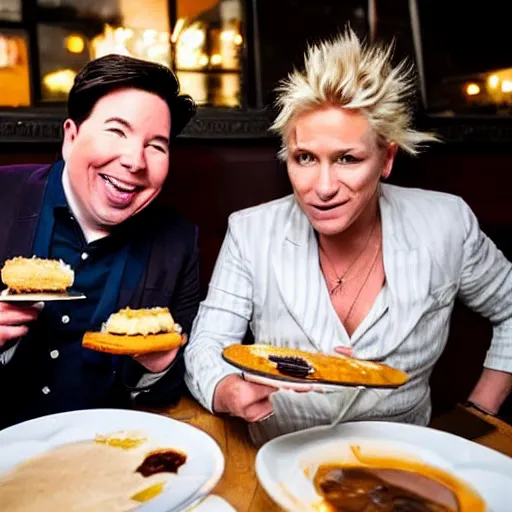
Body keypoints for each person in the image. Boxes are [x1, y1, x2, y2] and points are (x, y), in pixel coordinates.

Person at [184, 28, 512, 445]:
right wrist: (228, 390)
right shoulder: (251, 231)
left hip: (404, 463)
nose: (322, 187)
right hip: (279, 455)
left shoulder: (446, 223)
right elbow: (208, 343)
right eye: (305, 158)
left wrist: (479, 412)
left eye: (347, 159)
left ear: (386, 158)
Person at [0, 54, 199, 429]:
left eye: (156, 146)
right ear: (71, 137)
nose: (134, 161)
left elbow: (173, 388)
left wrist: (160, 366)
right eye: (117, 131)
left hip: (107, 450)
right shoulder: (3, 195)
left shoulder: (178, 241)